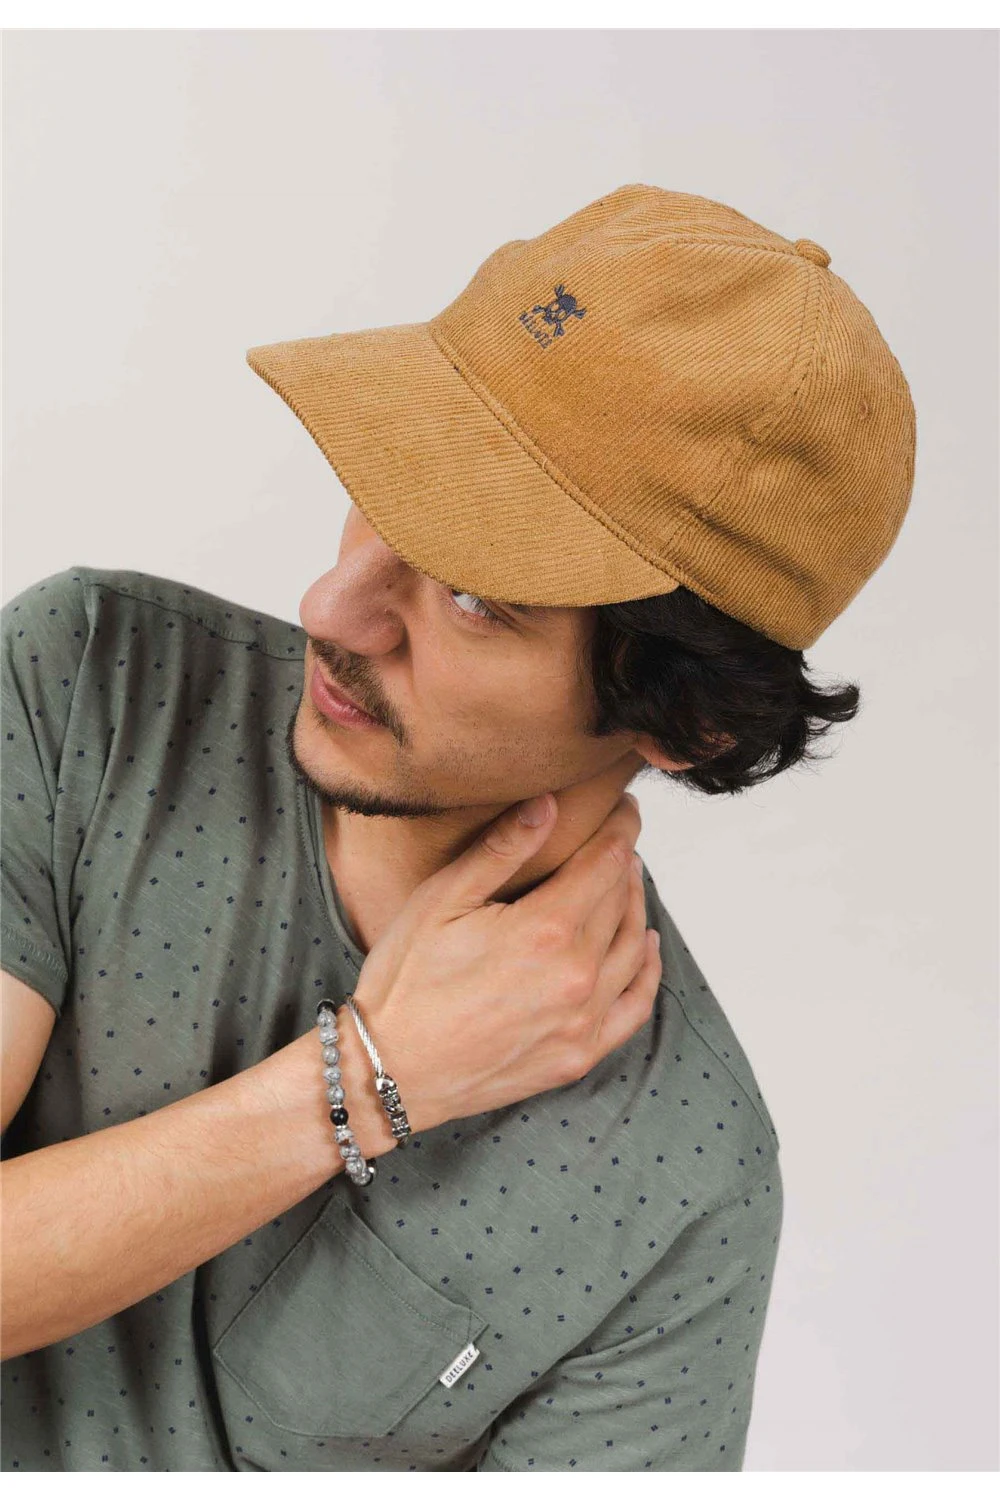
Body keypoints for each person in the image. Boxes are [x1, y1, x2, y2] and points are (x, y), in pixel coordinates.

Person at [0, 183, 916, 1472]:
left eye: (478, 595)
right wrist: (363, 1080)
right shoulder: (92, 685)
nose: (333, 607)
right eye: (389, 487)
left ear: (689, 721)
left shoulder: (679, 1187)